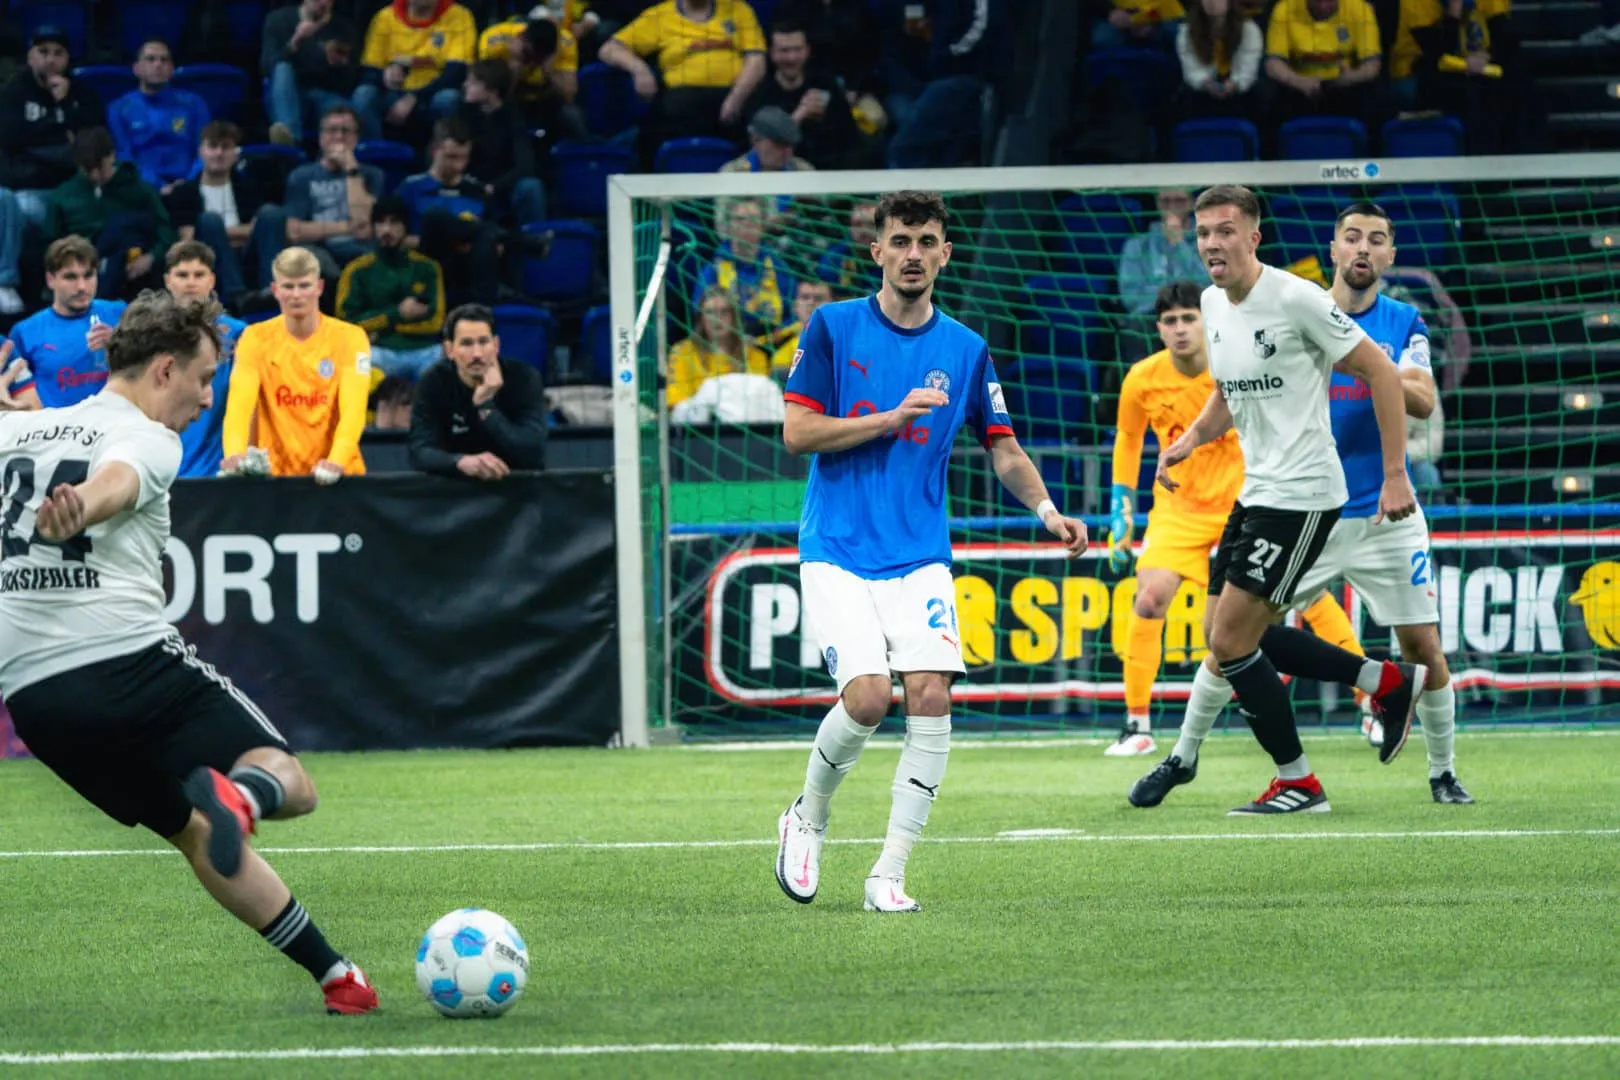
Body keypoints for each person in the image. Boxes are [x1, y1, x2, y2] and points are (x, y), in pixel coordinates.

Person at [0, 290, 378, 1015]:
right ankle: (245, 797)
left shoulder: (17, 431)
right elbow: (115, 483)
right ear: (165, 370)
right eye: (205, 379)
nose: (208, 400)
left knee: (195, 832)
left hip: (38, 707)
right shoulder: (149, 437)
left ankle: (338, 978)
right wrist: (82, 506)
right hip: (127, 666)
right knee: (290, 782)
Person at [773, 190, 1088, 913]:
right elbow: (797, 432)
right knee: (868, 698)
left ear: (946, 254)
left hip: (919, 554)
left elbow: (1003, 448)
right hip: (837, 546)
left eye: (925, 242)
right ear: (876, 251)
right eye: (900, 241)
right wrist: (889, 418)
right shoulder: (832, 326)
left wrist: (1047, 510)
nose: (912, 254)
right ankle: (807, 817)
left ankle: (888, 873)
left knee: (931, 693)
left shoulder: (967, 348)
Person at [1130, 184, 1424, 816]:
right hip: (1257, 491)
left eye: (1225, 230)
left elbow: (1379, 370)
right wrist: (1191, 439)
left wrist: (1395, 473)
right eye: (1204, 232)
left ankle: (1299, 781)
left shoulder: (1297, 298)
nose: (1212, 243)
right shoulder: (1211, 302)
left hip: (1305, 496)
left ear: (1253, 236)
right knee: (1223, 637)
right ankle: (1383, 679)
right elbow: (1229, 389)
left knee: (1234, 642)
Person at [1283, 203, 1470, 802]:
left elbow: (1424, 399)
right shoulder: (1298, 312)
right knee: (1235, 633)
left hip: (1388, 512)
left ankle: (1443, 772)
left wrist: (1369, 364)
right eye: (1352, 237)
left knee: (1424, 647)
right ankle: (1179, 752)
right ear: (1333, 249)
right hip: (1309, 511)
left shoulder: (1404, 320)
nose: (1362, 248)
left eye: (1376, 240)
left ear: (1390, 255)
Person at [220, 247, 372, 482]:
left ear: (319, 287)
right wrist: (234, 454)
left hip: (339, 477)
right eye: (288, 287)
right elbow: (239, 406)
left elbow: (354, 410)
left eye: (304, 286)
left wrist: (337, 461)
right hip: (277, 477)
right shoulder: (254, 338)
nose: (296, 295)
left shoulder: (351, 338)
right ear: (275, 290)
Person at [408, 303, 547, 478]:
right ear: (449, 350)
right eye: (466, 343)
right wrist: (459, 462)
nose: (477, 354)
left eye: (483, 342)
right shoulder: (433, 382)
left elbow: (532, 453)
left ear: (496, 345)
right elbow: (420, 452)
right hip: (455, 487)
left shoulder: (523, 378)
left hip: (515, 485)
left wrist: (485, 406)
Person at [5, 236, 128, 409]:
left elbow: (153, 368)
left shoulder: (121, 314)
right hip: (55, 424)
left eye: (88, 275)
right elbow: (13, 391)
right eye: (70, 277)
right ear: (50, 280)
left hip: (114, 421)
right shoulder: (25, 332)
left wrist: (122, 346)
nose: (82, 286)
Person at [335, 195, 447, 379]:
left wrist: (380, 330)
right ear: (373, 227)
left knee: (444, 357)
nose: (386, 230)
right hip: (378, 351)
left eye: (394, 222)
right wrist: (397, 314)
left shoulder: (428, 268)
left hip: (423, 351)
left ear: (406, 228)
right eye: (380, 223)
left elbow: (436, 322)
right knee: (356, 358)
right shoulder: (356, 270)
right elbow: (347, 323)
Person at [164, 241, 245, 478]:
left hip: (216, 470)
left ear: (212, 280)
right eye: (182, 275)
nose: (191, 282)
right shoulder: (151, 334)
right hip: (165, 467)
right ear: (168, 281)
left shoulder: (239, 334)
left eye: (199, 275)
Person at [106, 38, 211, 192]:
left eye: (164, 60)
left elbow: (204, 150)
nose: (158, 65)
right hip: (142, 189)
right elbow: (124, 157)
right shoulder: (119, 109)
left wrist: (188, 184)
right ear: (136, 69)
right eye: (150, 59)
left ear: (172, 69)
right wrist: (158, 186)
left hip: (190, 188)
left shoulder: (195, 104)